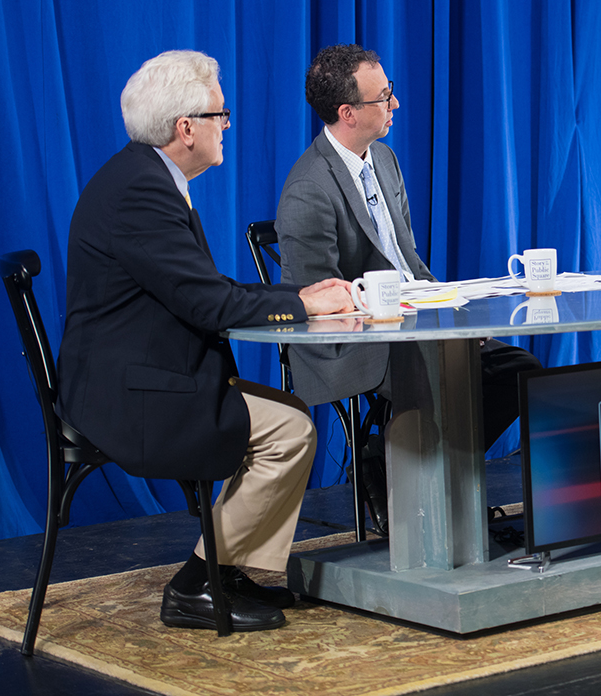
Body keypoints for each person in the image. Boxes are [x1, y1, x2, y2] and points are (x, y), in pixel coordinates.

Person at [57, 50, 355, 632]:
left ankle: (227, 572)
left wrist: (299, 295)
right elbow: (208, 305)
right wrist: (301, 303)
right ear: (184, 127)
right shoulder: (141, 193)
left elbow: (204, 288)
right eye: (220, 115)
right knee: (290, 430)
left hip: (141, 374)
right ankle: (197, 584)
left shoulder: (144, 178)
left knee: (288, 416)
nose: (226, 126)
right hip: (131, 396)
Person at [275, 44, 541, 532]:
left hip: (413, 322)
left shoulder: (384, 159)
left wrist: (455, 311)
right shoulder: (308, 189)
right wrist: (411, 321)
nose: (394, 104)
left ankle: (398, 464)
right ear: (348, 113)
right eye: (384, 97)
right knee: (439, 376)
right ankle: (434, 503)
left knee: (517, 370)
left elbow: (410, 263)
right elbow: (320, 302)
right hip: (352, 343)